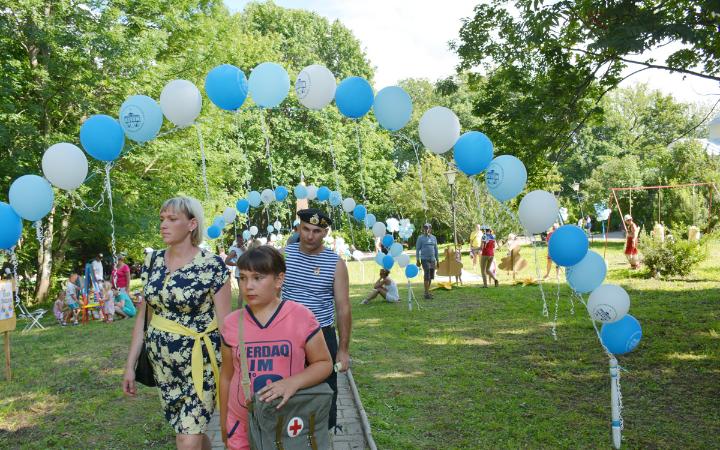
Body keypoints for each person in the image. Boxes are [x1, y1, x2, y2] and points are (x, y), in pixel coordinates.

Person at [123, 196, 231, 450]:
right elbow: (143, 318)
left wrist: (234, 372)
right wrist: (130, 366)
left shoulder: (211, 266)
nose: (163, 225)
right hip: (163, 364)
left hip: (200, 364)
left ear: (192, 224)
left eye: (172, 219)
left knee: (186, 438)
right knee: (186, 430)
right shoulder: (152, 262)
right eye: (162, 219)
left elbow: (226, 324)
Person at [219, 246, 333, 450]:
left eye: (257, 277)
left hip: (285, 424)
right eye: (243, 278)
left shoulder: (301, 317)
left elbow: (324, 364)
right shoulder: (231, 323)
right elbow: (227, 376)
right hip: (241, 425)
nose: (248, 286)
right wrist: (224, 423)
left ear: (279, 280)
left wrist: (293, 383)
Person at [281, 208, 350, 432]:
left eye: (317, 231)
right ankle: (289, 437)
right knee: (287, 389)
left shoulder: (335, 263)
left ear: (325, 233)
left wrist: (343, 350)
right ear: (298, 228)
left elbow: (343, 308)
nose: (310, 236)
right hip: (287, 336)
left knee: (325, 391)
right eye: (306, 229)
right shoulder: (284, 256)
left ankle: (325, 436)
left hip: (321, 336)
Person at [415, 223, 439, 299]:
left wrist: (437, 260)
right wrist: (417, 260)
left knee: (431, 276)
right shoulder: (420, 238)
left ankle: (427, 292)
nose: (426, 229)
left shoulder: (434, 238)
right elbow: (417, 249)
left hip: (432, 259)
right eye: (425, 228)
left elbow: (436, 249)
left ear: (430, 229)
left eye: (428, 228)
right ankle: (426, 293)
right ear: (423, 229)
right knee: (427, 274)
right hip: (424, 259)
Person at [225, 233, 246, 305]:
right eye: (239, 239)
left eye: (242, 239)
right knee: (242, 292)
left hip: (248, 273)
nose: (241, 241)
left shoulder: (244, 247)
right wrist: (236, 264)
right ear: (237, 240)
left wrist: (244, 249)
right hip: (240, 274)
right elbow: (226, 261)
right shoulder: (234, 250)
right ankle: (239, 311)